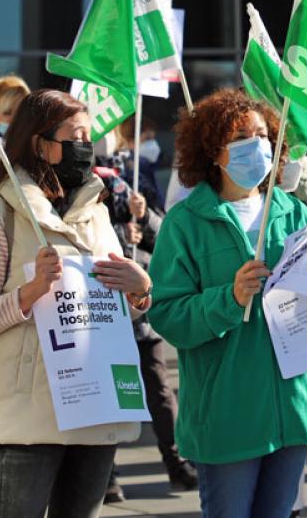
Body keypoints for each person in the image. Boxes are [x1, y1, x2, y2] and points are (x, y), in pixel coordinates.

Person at [0, 89, 152, 517]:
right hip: (28, 415)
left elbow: (111, 305)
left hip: (95, 404)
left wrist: (139, 291)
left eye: (89, 135)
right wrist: (30, 293)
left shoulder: (96, 213)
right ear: (40, 142)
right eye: (76, 135)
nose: (87, 146)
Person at [147, 88, 307, 518]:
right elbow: (168, 315)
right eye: (243, 137)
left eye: (264, 135)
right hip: (226, 414)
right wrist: (229, 298)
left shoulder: (295, 213)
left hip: (293, 406)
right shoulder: (185, 223)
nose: (258, 145)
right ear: (214, 152)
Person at [92, 165, 198, 502]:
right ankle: (106, 476)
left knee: (159, 389)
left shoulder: (135, 168)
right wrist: (124, 234)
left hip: (141, 309)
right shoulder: (77, 174)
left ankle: (177, 462)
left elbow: (163, 233)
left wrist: (144, 215)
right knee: (107, 395)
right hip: (101, 308)